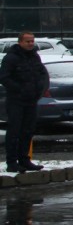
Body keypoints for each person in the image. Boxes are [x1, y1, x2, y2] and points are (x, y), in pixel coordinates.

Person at [0, 32, 49, 172]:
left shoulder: (34, 56)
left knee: (28, 131)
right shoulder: (11, 58)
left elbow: (41, 74)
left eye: (32, 41)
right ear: (20, 42)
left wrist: (39, 87)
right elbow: (4, 78)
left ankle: (24, 159)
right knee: (14, 131)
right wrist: (19, 89)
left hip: (31, 100)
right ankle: (11, 162)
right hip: (16, 101)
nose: (31, 44)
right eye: (28, 41)